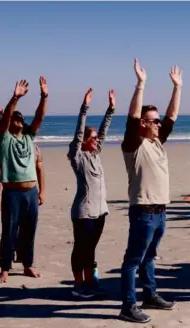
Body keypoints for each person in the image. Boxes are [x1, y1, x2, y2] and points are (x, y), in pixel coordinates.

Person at [119, 59, 182, 323]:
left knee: (150, 257)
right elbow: (132, 118)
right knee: (133, 260)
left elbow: (171, 117)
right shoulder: (135, 144)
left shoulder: (156, 142)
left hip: (160, 210)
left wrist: (177, 88)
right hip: (143, 210)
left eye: (157, 122)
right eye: (153, 121)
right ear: (144, 123)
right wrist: (140, 84)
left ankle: (150, 295)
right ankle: (128, 306)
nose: (158, 125)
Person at [0, 77, 48, 283]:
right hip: (12, 193)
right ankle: (5, 268)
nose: (19, 120)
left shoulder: (28, 138)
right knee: (9, 231)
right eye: (15, 119)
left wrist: (44, 96)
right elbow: (6, 116)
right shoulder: (4, 138)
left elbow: (39, 117)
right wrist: (15, 97)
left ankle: (27, 265)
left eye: (21, 118)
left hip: (31, 193)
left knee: (30, 231)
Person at [68, 88, 115, 298]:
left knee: (91, 250)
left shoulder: (96, 155)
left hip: (100, 212)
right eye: (93, 137)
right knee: (81, 249)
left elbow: (104, 132)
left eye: (96, 138)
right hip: (84, 212)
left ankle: (90, 282)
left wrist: (111, 109)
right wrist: (84, 108)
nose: (96, 140)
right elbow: (78, 135)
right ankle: (79, 285)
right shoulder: (78, 158)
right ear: (85, 140)